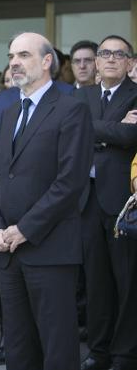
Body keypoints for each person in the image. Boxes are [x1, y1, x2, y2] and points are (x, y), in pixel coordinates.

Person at [0, 32, 94, 370]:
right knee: (17, 347)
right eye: (12, 55)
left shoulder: (72, 109)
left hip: (50, 248)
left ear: (46, 62)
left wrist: (25, 229)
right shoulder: (9, 110)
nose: (14, 62)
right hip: (7, 251)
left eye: (24, 55)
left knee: (57, 346)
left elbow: (70, 182)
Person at [75, 35, 137, 370]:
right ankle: (98, 352)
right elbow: (68, 131)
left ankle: (125, 354)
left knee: (126, 282)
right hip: (87, 201)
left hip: (125, 203)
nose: (111, 58)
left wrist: (93, 130)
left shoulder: (136, 93)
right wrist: (111, 129)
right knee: (96, 280)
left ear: (130, 63)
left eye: (119, 54)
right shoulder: (81, 95)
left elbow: (131, 136)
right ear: (96, 62)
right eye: (104, 53)